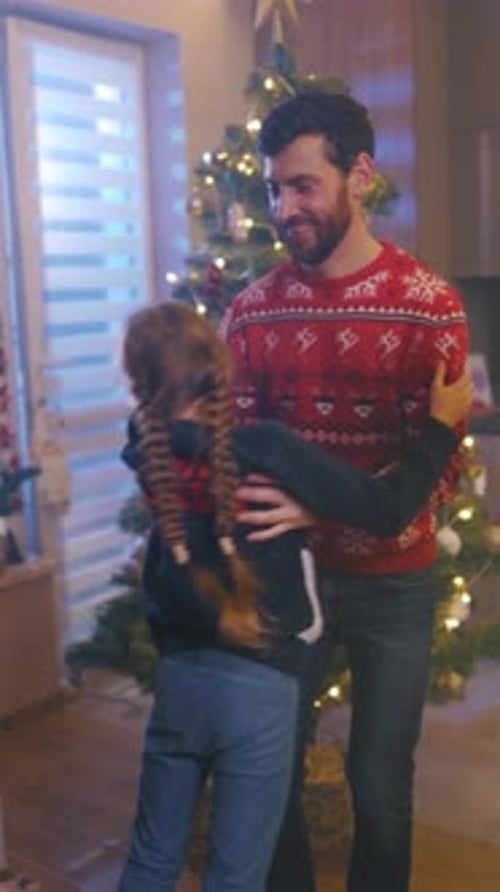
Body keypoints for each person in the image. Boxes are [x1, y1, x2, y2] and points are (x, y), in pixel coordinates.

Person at [117, 301, 470, 892]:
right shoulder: (268, 450)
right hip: (262, 688)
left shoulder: (147, 453)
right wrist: (439, 428)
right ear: (220, 368)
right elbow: (386, 511)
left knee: (152, 861)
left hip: (179, 683)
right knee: (237, 872)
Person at [223, 91, 470, 892]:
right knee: (272, 774)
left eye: (303, 186)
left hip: (395, 585)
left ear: (358, 174)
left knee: (381, 790)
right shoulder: (251, 313)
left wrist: (321, 502)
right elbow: (242, 449)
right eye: (274, 191)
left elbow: (442, 468)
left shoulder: (430, 308)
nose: (284, 209)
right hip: (290, 579)